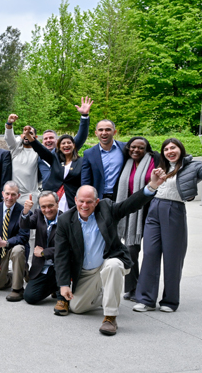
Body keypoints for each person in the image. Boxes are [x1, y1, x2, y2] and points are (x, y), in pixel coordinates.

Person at [55, 176, 164, 336]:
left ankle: (110, 317)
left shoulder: (106, 208)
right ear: (75, 200)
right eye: (82, 201)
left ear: (97, 201)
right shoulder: (65, 220)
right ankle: (107, 294)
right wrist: (64, 284)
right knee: (77, 308)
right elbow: (61, 254)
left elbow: (129, 205)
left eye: (89, 202)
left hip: (108, 261)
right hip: (86, 271)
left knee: (113, 266)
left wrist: (152, 186)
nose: (85, 205)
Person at [133, 136, 202, 313]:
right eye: (166, 149)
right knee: (150, 253)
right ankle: (146, 299)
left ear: (180, 149)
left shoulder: (194, 166)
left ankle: (170, 301)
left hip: (174, 209)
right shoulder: (161, 166)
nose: (170, 151)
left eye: (173, 148)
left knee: (172, 257)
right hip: (154, 209)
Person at [116, 137, 159, 301]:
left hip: (150, 211)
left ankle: (147, 290)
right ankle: (133, 288)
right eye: (133, 147)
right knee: (130, 250)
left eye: (141, 148)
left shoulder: (155, 159)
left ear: (147, 149)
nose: (136, 150)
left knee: (150, 252)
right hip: (130, 212)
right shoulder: (126, 162)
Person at [0, 181, 29, 301]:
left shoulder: (23, 211)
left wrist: (6, 242)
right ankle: (19, 274)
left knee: (18, 250)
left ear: (18, 196)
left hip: (15, 247)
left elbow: (24, 237)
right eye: (7, 194)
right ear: (3, 194)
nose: (10, 197)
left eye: (13, 194)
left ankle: (17, 289)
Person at [20, 191, 65, 305]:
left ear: (57, 204)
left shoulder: (65, 220)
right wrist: (26, 211)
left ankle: (58, 287)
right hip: (42, 267)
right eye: (43, 206)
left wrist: (44, 252)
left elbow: (66, 248)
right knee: (30, 297)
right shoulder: (38, 214)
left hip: (60, 267)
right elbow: (25, 225)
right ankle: (53, 286)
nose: (47, 210)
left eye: (50, 206)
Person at [82, 120, 126, 199]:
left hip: (121, 196)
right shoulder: (89, 153)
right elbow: (86, 179)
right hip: (98, 197)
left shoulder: (125, 148)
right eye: (101, 130)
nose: (104, 132)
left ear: (114, 132)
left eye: (108, 130)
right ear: (96, 133)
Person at [3, 115, 41, 204]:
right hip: (13, 195)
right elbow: (9, 138)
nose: (27, 135)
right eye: (25, 133)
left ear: (36, 137)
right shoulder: (15, 149)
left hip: (31, 196)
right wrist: (9, 123)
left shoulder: (38, 152)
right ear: (21, 136)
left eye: (30, 133)